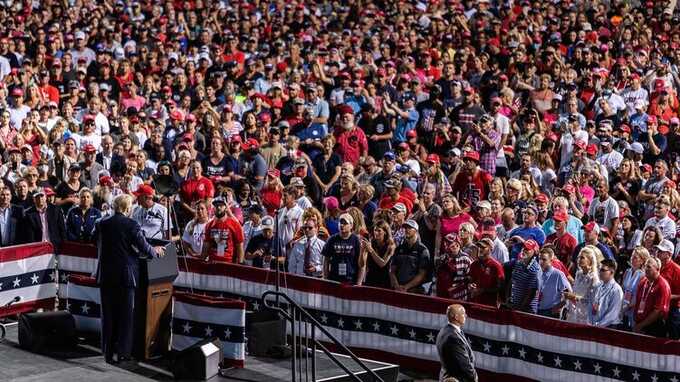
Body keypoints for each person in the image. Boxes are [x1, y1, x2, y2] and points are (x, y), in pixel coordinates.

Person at [92, 194, 165, 365]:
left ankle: (108, 353)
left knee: (108, 315)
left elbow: (93, 239)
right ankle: (123, 353)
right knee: (125, 316)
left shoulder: (102, 223)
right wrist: (156, 251)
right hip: (126, 276)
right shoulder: (131, 224)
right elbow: (145, 248)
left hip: (106, 276)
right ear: (127, 208)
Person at [436, 304, 477, 382]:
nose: (466, 315)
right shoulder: (453, 338)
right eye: (463, 313)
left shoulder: (444, 330)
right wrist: (474, 378)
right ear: (456, 317)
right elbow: (464, 366)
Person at [322, 213, 366, 285]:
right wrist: (325, 279)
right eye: (340, 222)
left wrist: (359, 283)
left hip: (350, 281)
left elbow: (362, 264)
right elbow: (326, 260)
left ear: (351, 226)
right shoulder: (332, 239)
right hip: (334, 280)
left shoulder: (356, 240)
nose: (342, 225)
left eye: (345, 223)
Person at [389, 219, 431, 294]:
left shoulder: (423, 250)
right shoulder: (399, 248)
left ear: (416, 231)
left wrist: (406, 287)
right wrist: (396, 286)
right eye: (405, 228)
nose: (406, 230)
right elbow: (392, 270)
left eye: (409, 228)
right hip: (397, 289)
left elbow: (422, 274)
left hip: (414, 291)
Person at [633, 257, 671, 336]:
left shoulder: (662, 285)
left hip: (655, 327)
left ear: (657, 269)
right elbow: (637, 302)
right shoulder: (643, 282)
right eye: (645, 266)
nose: (645, 269)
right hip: (641, 324)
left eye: (649, 267)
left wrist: (641, 325)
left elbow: (658, 312)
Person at [201, 196, 245, 264]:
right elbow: (206, 245)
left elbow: (240, 246)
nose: (218, 208)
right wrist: (202, 261)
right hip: (212, 263)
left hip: (228, 263)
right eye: (216, 205)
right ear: (213, 208)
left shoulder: (235, 224)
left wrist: (240, 263)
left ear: (225, 207)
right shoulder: (208, 225)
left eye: (221, 205)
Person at [565, 246, 601, 324]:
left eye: (582, 258)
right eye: (578, 257)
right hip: (574, 314)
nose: (579, 260)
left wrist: (575, 297)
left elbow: (592, 301)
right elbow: (575, 291)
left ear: (590, 260)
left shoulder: (594, 278)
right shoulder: (578, 274)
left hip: (586, 317)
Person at [468, 238, 505, 307]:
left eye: (483, 247)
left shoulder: (496, 266)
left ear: (491, 249)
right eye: (479, 247)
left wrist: (483, 290)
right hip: (474, 303)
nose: (480, 249)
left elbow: (501, 288)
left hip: (490, 305)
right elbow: (470, 280)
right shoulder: (474, 264)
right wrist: (470, 286)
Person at [507, 240, 541, 313]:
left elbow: (532, 292)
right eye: (524, 248)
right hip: (514, 305)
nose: (524, 250)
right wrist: (508, 298)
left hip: (527, 309)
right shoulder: (519, 263)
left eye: (527, 249)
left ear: (534, 252)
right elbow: (512, 281)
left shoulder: (535, 269)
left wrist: (520, 308)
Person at [537, 247, 571, 319]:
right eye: (539, 259)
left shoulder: (558, 274)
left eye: (544, 259)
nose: (541, 262)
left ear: (551, 261)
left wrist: (558, 307)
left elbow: (569, 294)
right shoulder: (537, 272)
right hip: (537, 309)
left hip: (550, 312)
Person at [656, 239, 680, 339]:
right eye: (658, 250)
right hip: (656, 308)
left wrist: (665, 297)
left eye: (661, 251)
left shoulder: (677, 270)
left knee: (673, 340)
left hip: (672, 311)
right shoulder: (656, 266)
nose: (658, 253)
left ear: (669, 254)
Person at [589, 259, 624, 328]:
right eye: (599, 269)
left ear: (612, 272)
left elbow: (613, 314)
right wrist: (591, 322)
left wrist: (597, 325)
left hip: (609, 326)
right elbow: (591, 305)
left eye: (603, 270)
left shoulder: (616, 290)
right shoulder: (598, 286)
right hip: (595, 325)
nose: (599, 272)